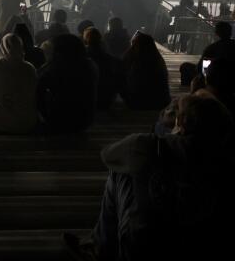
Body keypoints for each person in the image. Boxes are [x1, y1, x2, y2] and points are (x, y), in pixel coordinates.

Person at [63, 93, 235, 261]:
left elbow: (108, 155)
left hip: (141, 250)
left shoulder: (149, 146)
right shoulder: (225, 162)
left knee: (121, 171)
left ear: (180, 124)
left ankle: (99, 248)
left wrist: (165, 138)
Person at [36, 34, 97, 133]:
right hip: (84, 122)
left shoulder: (54, 69)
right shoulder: (89, 66)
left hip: (59, 122)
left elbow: (38, 89)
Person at [120, 31, 171, 111]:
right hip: (160, 102)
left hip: (138, 103)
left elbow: (122, 71)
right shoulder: (157, 58)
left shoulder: (135, 59)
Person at [83, 27, 123, 109]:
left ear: (85, 39)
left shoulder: (81, 57)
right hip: (106, 99)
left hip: (87, 100)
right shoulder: (111, 58)